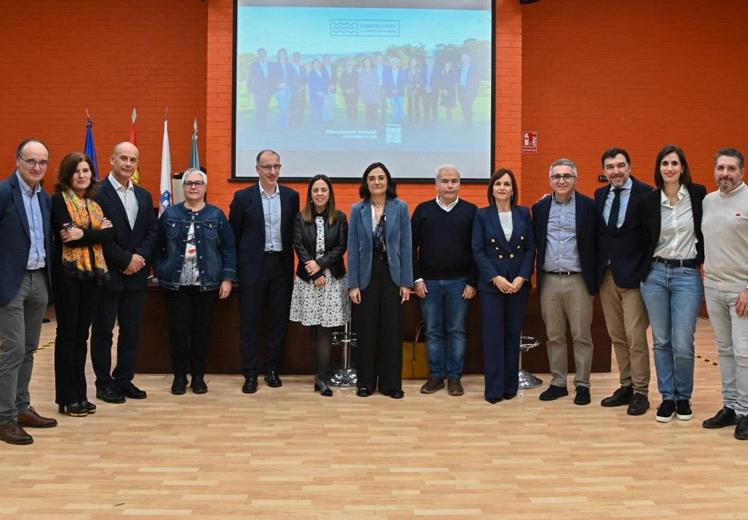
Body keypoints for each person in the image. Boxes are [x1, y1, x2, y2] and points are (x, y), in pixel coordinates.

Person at [638, 145, 706, 423]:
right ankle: (667, 397)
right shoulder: (649, 202)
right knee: (662, 340)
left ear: (682, 167)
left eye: (674, 163)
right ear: (659, 168)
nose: (669, 168)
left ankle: (683, 396)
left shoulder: (699, 195)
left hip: (687, 274)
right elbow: (640, 238)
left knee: (682, 342)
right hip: (655, 274)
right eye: (664, 163)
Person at [154, 169, 237, 395]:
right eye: (189, 183)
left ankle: (198, 377)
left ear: (204, 187)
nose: (193, 187)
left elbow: (228, 248)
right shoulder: (170, 214)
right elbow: (156, 245)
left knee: (202, 332)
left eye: (198, 183)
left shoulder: (216, 215)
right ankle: (180, 376)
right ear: (183, 187)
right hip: (176, 285)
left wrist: (227, 278)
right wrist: (161, 269)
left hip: (207, 285)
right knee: (178, 332)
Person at [91, 142, 158, 404]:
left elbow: (152, 231)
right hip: (109, 275)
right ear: (112, 160)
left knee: (131, 330)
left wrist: (139, 258)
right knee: (104, 331)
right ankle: (103, 383)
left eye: (133, 159)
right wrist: (125, 260)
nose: (128, 164)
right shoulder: (97, 193)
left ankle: (124, 378)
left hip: (137, 275)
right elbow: (99, 235)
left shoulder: (144, 195)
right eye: (123, 158)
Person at [0, 139, 57, 445]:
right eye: (31, 161)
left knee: (29, 349)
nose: (37, 167)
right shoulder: (4, 193)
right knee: (12, 350)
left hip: (39, 280)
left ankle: (22, 407)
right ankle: (4, 417)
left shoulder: (44, 198)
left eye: (42, 162)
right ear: (18, 160)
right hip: (11, 282)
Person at [229, 150, 300, 394]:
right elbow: (234, 236)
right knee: (250, 322)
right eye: (267, 167)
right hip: (252, 268)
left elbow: (294, 234)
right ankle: (250, 374)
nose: (272, 172)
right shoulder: (242, 198)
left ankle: (272, 370)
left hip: (280, 266)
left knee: (278, 322)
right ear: (257, 169)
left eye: (276, 166)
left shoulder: (292, 197)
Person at [51, 152, 114, 417]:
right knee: (68, 335)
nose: (82, 175)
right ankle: (67, 397)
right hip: (68, 276)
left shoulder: (93, 204)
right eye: (76, 171)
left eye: (86, 171)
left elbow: (112, 232)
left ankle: (81, 394)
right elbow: (68, 236)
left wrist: (86, 233)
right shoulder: (58, 201)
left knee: (82, 336)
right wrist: (96, 234)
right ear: (68, 174)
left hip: (92, 277)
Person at [532, 158, 598, 406]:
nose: (561, 180)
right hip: (549, 279)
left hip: (578, 279)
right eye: (557, 176)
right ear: (550, 180)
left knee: (581, 335)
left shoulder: (588, 207)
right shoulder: (539, 209)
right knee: (554, 335)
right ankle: (558, 382)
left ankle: (582, 385)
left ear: (575, 179)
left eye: (566, 176)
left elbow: (596, 243)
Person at [595, 147, 653, 415]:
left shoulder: (647, 194)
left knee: (635, 337)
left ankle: (641, 392)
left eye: (620, 165)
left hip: (634, 278)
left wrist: (644, 273)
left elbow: (652, 238)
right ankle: (626, 385)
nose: (615, 171)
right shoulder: (600, 195)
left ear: (629, 166)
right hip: (607, 277)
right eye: (610, 167)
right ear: (604, 171)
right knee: (617, 335)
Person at [348, 162, 413, 399]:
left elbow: (406, 246)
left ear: (388, 182)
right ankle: (365, 383)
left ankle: (391, 384)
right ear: (366, 183)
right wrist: (353, 283)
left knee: (391, 329)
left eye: (381, 177)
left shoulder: (401, 207)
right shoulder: (358, 209)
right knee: (366, 330)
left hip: (392, 274)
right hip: (366, 274)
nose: (377, 182)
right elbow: (353, 248)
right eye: (372, 178)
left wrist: (407, 282)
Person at [412, 165, 477, 396]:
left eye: (454, 181)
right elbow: (411, 246)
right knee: (433, 331)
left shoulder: (471, 211)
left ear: (460, 184)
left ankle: (454, 378)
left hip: (460, 283)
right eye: (445, 181)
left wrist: (472, 281)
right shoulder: (423, 210)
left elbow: (477, 249)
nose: (450, 185)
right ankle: (436, 376)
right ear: (436, 185)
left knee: (457, 331)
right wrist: (416, 278)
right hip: (428, 283)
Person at [472, 168, 535, 404]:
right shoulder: (482, 215)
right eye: (498, 183)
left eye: (507, 184)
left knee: (512, 335)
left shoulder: (523, 213)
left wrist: (522, 277)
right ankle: (494, 389)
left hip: (517, 285)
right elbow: (477, 250)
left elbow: (530, 248)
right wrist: (495, 278)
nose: (502, 187)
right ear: (492, 189)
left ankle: (511, 386)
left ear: (512, 189)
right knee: (493, 337)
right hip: (493, 286)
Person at [701, 148, 748, 440]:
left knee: (744, 354)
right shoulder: (708, 201)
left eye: (731, 169)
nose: (725, 174)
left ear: (741, 172)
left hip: (741, 291)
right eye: (721, 168)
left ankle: (745, 411)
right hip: (714, 288)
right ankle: (730, 406)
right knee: (725, 351)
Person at [290, 175, 350, 397]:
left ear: (330, 193)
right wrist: (313, 272)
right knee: (314, 329)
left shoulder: (340, 217)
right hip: (309, 280)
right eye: (316, 190)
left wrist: (321, 265)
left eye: (324, 190)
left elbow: (341, 247)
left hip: (332, 279)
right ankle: (319, 374)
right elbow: (299, 246)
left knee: (325, 329)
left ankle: (323, 378)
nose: (320, 194)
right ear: (310, 194)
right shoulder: (300, 218)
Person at [248, 48, 272, 129]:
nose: (262, 55)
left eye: (263, 53)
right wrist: (250, 90)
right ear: (258, 55)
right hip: (258, 91)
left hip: (268, 91)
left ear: (266, 55)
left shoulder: (270, 64)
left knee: (265, 108)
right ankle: (259, 126)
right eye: (260, 54)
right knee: (259, 109)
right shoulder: (254, 65)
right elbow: (250, 78)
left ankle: (264, 125)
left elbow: (274, 77)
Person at [270, 48, 292, 129]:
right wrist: (277, 86)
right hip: (279, 89)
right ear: (278, 55)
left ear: (286, 55)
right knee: (284, 108)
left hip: (288, 89)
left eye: (284, 54)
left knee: (287, 107)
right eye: (281, 54)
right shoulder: (274, 65)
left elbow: (293, 77)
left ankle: (285, 126)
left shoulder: (289, 65)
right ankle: (281, 126)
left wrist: (290, 86)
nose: (282, 55)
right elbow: (271, 78)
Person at [457, 53, 480, 127]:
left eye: (465, 58)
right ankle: (466, 122)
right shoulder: (460, 68)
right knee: (463, 107)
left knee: (468, 107)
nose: (464, 59)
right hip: (461, 90)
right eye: (462, 58)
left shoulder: (474, 68)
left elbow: (476, 80)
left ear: (469, 58)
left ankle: (469, 123)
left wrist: (471, 90)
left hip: (469, 91)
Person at [384, 57, 406, 123]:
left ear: (398, 64)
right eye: (393, 63)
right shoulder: (388, 73)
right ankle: (396, 121)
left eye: (396, 63)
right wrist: (392, 90)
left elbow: (403, 82)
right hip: (391, 93)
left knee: (400, 107)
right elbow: (386, 83)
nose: (395, 64)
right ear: (391, 64)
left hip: (400, 93)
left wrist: (398, 90)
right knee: (394, 108)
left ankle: (401, 121)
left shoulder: (402, 72)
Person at [358, 56, 380, 124]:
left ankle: (375, 124)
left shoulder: (374, 71)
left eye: (368, 62)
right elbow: (360, 83)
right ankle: (369, 125)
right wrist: (361, 93)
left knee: (374, 109)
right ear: (364, 63)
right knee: (368, 109)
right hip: (366, 93)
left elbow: (377, 82)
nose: (367, 63)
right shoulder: (362, 72)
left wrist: (375, 90)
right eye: (366, 62)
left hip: (374, 93)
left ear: (371, 63)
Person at [288, 52, 307, 126]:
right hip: (292, 90)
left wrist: (302, 87)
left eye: (298, 57)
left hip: (302, 90)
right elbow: (288, 79)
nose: (296, 58)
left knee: (301, 106)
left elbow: (305, 78)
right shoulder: (289, 67)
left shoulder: (302, 67)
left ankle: (299, 122)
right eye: (295, 57)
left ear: (299, 58)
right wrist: (294, 89)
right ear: (293, 58)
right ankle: (291, 122)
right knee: (292, 107)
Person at [308, 59, 328, 123]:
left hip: (322, 93)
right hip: (314, 94)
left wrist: (324, 92)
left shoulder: (323, 72)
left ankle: (320, 121)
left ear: (319, 64)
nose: (316, 65)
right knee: (315, 108)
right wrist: (317, 92)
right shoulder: (311, 73)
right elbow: (311, 84)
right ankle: (315, 122)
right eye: (315, 63)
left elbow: (326, 82)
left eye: (317, 63)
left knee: (321, 108)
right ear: (312, 65)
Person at [421, 55, 439, 124]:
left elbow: (438, 80)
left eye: (431, 61)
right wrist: (425, 87)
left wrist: (431, 87)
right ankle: (426, 121)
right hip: (425, 91)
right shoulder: (423, 70)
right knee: (426, 106)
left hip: (434, 91)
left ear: (433, 62)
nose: (429, 62)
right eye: (428, 61)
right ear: (426, 62)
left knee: (434, 106)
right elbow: (421, 80)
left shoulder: (437, 70)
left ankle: (434, 121)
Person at [405, 57, 423, 124]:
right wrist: (410, 86)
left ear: (416, 63)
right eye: (412, 61)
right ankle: (410, 119)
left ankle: (417, 119)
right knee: (409, 104)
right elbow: (405, 79)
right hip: (409, 89)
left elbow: (421, 79)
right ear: (410, 62)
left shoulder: (419, 70)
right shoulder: (407, 70)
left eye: (414, 62)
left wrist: (417, 87)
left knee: (416, 104)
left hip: (417, 90)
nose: (413, 63)